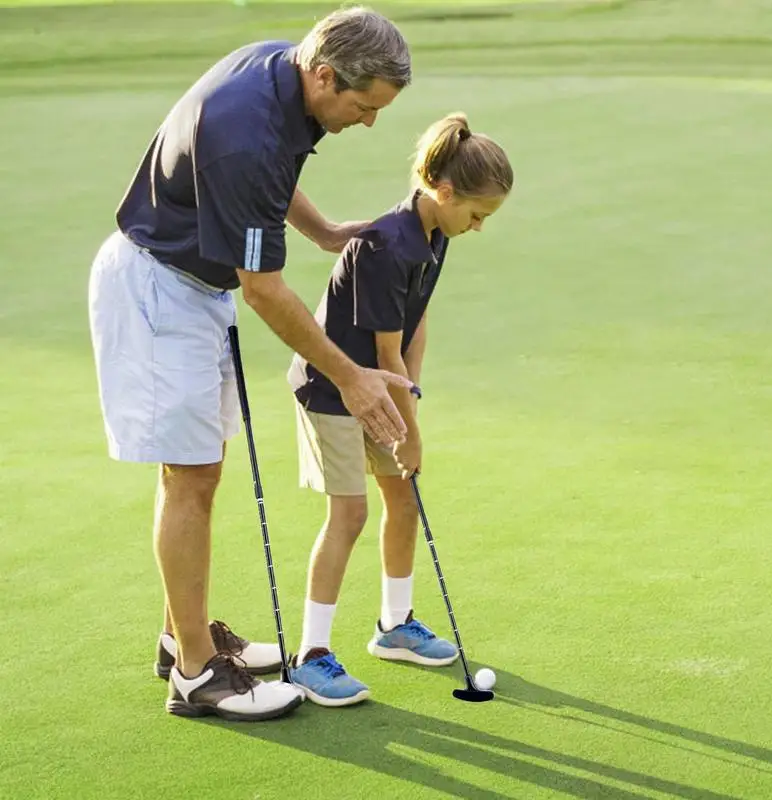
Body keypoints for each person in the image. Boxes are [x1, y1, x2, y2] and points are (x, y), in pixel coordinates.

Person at [87, 7, 416, 722]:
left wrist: (323, 230)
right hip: (156, 290)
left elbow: (270, 179)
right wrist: (353, 379)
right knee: (191, 475)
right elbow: (265, 290)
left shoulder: (282, 71)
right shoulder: (246, 131)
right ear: (325, 74)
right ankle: (197, 674)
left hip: (192, 289)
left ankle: (187, 634)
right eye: (363, 107)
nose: (367, 123)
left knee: (199, 470)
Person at [286, 113, 513, 706]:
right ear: (445, 191)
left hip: (379, 382)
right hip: (331, 388)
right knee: (351, 513)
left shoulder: (436, 234)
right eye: (477, 215)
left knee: (403, 499)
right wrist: (408, 435)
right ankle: (310, 654)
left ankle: (394, 627)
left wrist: (413, 398)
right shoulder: (389, 244)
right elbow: (384, 351)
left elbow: (415, 327)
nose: (479, 227)